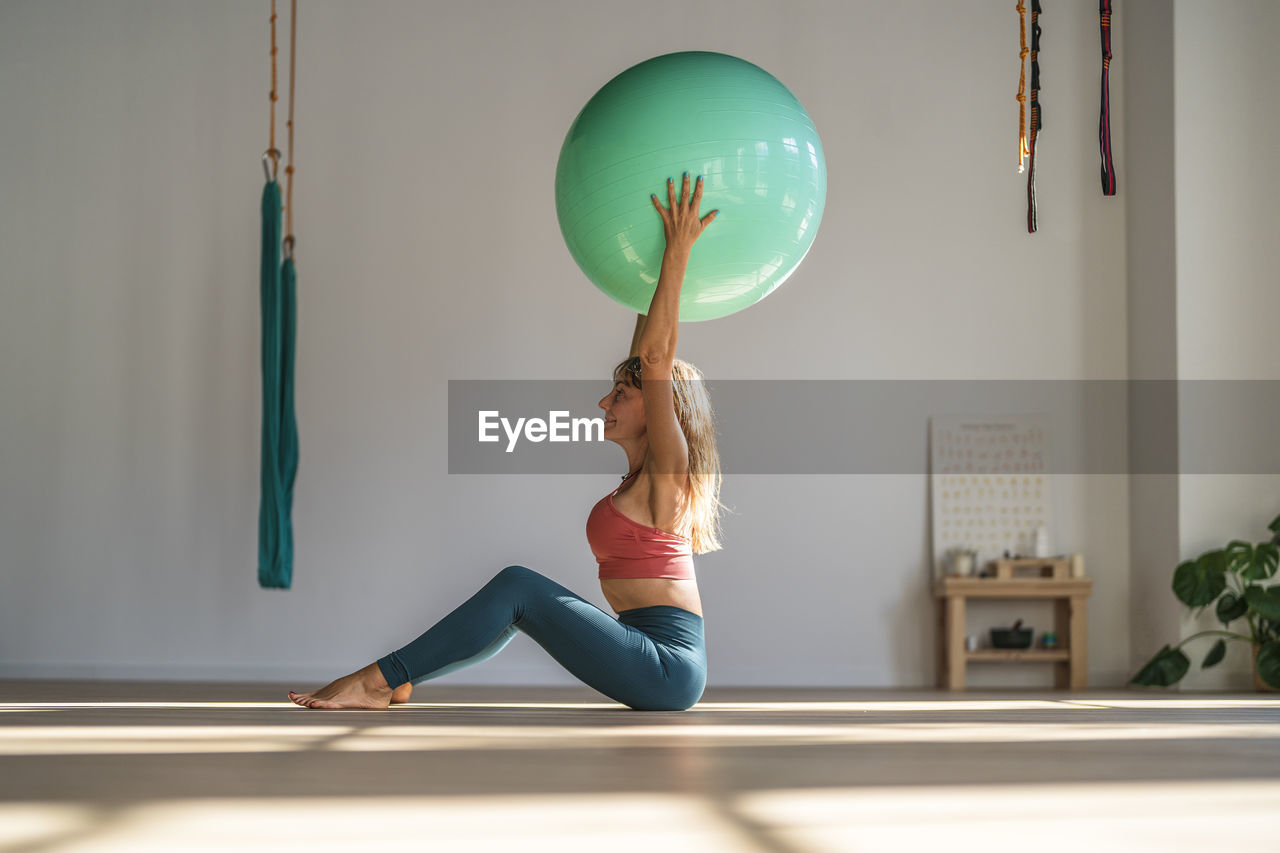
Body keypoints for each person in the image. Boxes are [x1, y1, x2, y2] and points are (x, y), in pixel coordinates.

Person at [288, 173, 723, 711]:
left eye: (620, 394)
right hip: (652, 657)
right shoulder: (643, 476)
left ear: (661, 409)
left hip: (665, 667)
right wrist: (646, 263)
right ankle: (401, 679)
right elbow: (645, 354)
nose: (603, 404)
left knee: (518, 586)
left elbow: (655, 360)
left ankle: (378, 679)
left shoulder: (670, 473)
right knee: (516, 605)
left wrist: (679, 250)